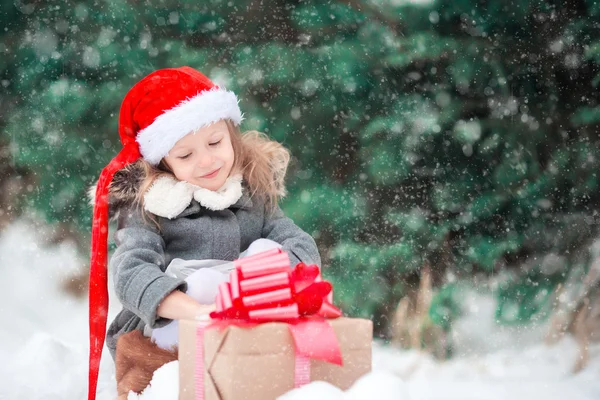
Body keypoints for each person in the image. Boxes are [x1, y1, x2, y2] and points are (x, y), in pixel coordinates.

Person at [87, 66, 321, 400]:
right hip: (171, 328)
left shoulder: (250, 192)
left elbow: (298, 244)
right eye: (185, 154)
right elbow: (131, 272)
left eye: (215, 142)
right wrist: (198, 311)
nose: (207, 161)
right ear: (163, 161)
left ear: (230, 134)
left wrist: (256, 282)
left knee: (268, 251)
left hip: (248, 316)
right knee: (203, 284)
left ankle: (259, 350)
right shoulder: (150, 207)